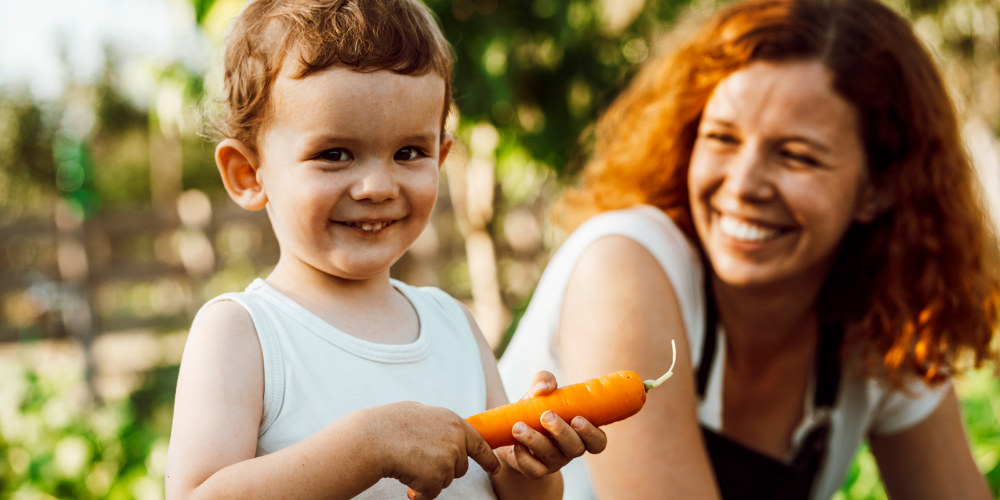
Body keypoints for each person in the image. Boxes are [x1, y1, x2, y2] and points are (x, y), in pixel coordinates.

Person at [499, 0, 1000, 498]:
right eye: (721, 138)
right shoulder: (626, 265)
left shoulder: (881, 315)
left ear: (880, 187)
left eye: (796, 156)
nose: (742, 186)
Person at [164, 1, 607, 499]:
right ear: (248, 174)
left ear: (440, 157)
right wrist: (366, 446)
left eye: (408, 153)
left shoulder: (453, 326)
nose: (377, 185)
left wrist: (531, 468)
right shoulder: (243, 333)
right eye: (334, 154)